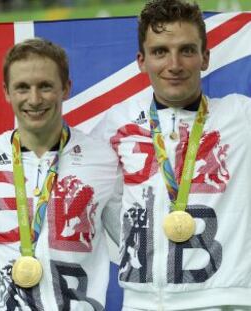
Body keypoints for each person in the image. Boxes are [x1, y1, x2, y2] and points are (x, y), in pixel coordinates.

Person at [92, 0, 251, 309]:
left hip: (228, 298)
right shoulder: (115, 124)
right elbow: (71, 177)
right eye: (160, 51)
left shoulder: (241, 116)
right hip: (143, 302)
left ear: (205, 58)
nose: (174, 64)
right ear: (142, 60)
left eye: (187, 50)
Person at [0, 37, 122, 309]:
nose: (34, 99)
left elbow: (134, 239)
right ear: (6, 92)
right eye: (22, 88)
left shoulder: (102, 159)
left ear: (66, 88)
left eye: (45, 86)